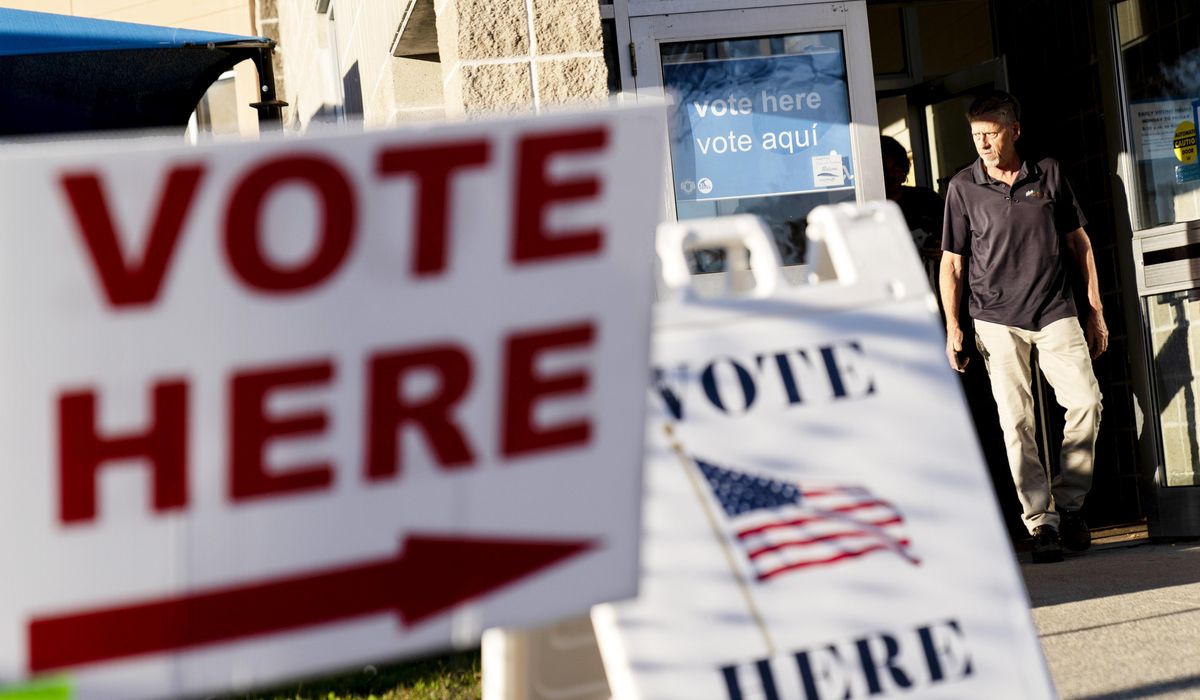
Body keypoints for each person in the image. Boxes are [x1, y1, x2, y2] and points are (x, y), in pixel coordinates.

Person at [940, 91, 1107, 564]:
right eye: (976, 135)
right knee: (1017, 422)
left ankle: (1070, 503)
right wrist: (954, 326)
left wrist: (1094, 309)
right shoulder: (963, 187)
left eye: (991, 134)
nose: (984, 143)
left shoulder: (1048, 173)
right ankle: (1041, 522)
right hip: (994, 318)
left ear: (1014, 130)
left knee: (1085, 402)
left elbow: (1080, 244)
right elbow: (952, 264)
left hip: (1055, 309)